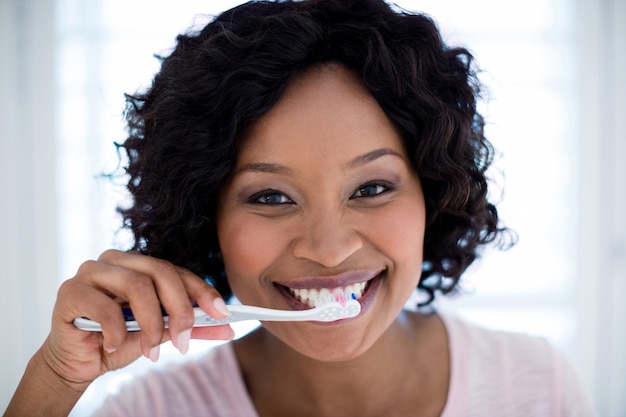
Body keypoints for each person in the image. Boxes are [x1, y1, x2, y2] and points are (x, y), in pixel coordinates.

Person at [5, 0, 596, 416]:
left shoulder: (537, 388)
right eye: (270, 197)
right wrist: (54, 380)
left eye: (371, 188)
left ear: (433, 195)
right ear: (208, 216)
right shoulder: (155, 411)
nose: (330, 246)